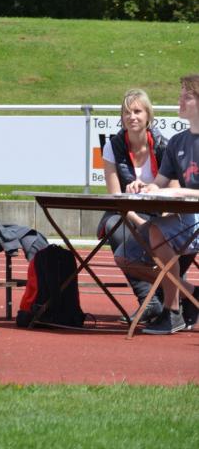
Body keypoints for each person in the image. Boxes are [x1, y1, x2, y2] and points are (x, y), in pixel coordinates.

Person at [118, 74, 199, 335]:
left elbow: (172, 190)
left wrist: (175, 192)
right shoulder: (177, 142)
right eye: (180, 95)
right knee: (125, 255)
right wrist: (142, 187)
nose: (180, 101)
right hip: (186, 219)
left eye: (187, 97)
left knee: (156, 230)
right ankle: (191, 294)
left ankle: (172, 311)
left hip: (193, 219)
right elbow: (160, 183)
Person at [97, 89, 169, 323]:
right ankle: (149, 300)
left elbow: (173, 190)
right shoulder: (113, 146)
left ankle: (170, 296)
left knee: (170, 233)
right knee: (116, 228)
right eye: (127, 112)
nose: (132, 117)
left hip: (158, 211)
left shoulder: (163, 146)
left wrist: (156, 211)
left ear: (148, 115)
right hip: (124, 211)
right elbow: (114, 196)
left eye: (137, 111)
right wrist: (139, 221)